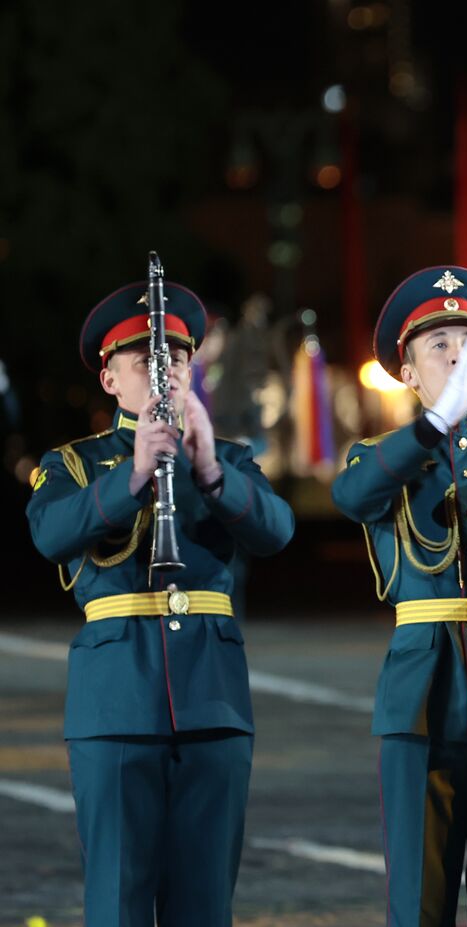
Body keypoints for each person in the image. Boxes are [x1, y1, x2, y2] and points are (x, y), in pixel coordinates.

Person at [26, 279, 295, 925]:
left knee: (204, 904)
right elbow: (51, 534)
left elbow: (277, 531)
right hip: (116, 705)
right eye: (146, 362)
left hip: (213, 699)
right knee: (117, 901)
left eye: (175, 360)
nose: (164, 373)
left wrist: (210, 473)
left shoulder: (229, 459)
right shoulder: (76, 463)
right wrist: (134, 474)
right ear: (110, 379)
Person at [331, 265, 467, 924]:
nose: (454, 352)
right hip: (421, 698)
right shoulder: (380, 457)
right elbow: (352, 496)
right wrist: (432, 427)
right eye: (436, 343)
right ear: (407, 373)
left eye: (466, 340)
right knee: (420, 901)